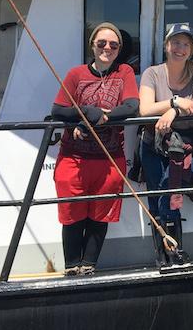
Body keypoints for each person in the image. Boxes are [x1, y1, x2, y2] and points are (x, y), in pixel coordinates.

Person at [51, 22, 140, 276]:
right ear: (92, 45)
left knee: (100, 216)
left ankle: (88, 266)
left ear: (119, 48)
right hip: (74, 158)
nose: (107, 48)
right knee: (72, 215)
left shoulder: (124, 73)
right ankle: (71, 267)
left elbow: (132, 106)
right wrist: (85, 114)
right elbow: (58, 110)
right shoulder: (76, 74)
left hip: (109, 159)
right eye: (101, 43)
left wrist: (100, 117)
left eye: (113, 44)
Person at [139, 23, 193, 266]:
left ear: (191, 49)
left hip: (185, 147)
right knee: (156, 197)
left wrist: (173, 113)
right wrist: (175, 102)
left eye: (185, 44)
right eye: (175, 42)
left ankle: (173, 253)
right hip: (153, 144)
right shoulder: (152, 73)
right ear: (166, 45)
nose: (179, 48)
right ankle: (164, 257)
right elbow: (145, 109)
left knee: (169, 191)